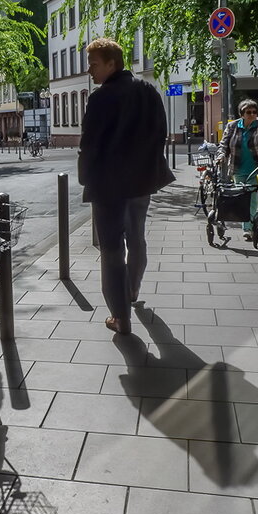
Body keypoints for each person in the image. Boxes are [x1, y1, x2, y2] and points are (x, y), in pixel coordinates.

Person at [78, 38, 175, 335]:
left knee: (110, 250)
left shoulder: (100, 97)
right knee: (137, 238)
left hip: (109, 186)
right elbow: (161, 133)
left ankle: (120, 317)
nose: (89, 70)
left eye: (93, 63)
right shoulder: (148, 91)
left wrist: (85, 178)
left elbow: (89, 145)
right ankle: (132, 290)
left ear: (111, 63)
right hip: (141, 181)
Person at [215, 99, 258, 240]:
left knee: (252, 198)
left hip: (256, 168)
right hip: (237, 167)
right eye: (248, 112)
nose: (252, 114)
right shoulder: (232, 126)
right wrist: (220, 157)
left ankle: (249, 228)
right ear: (242, 114)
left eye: (254, 112)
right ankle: (250, 224)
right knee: (242, 198)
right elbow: (224, 144)